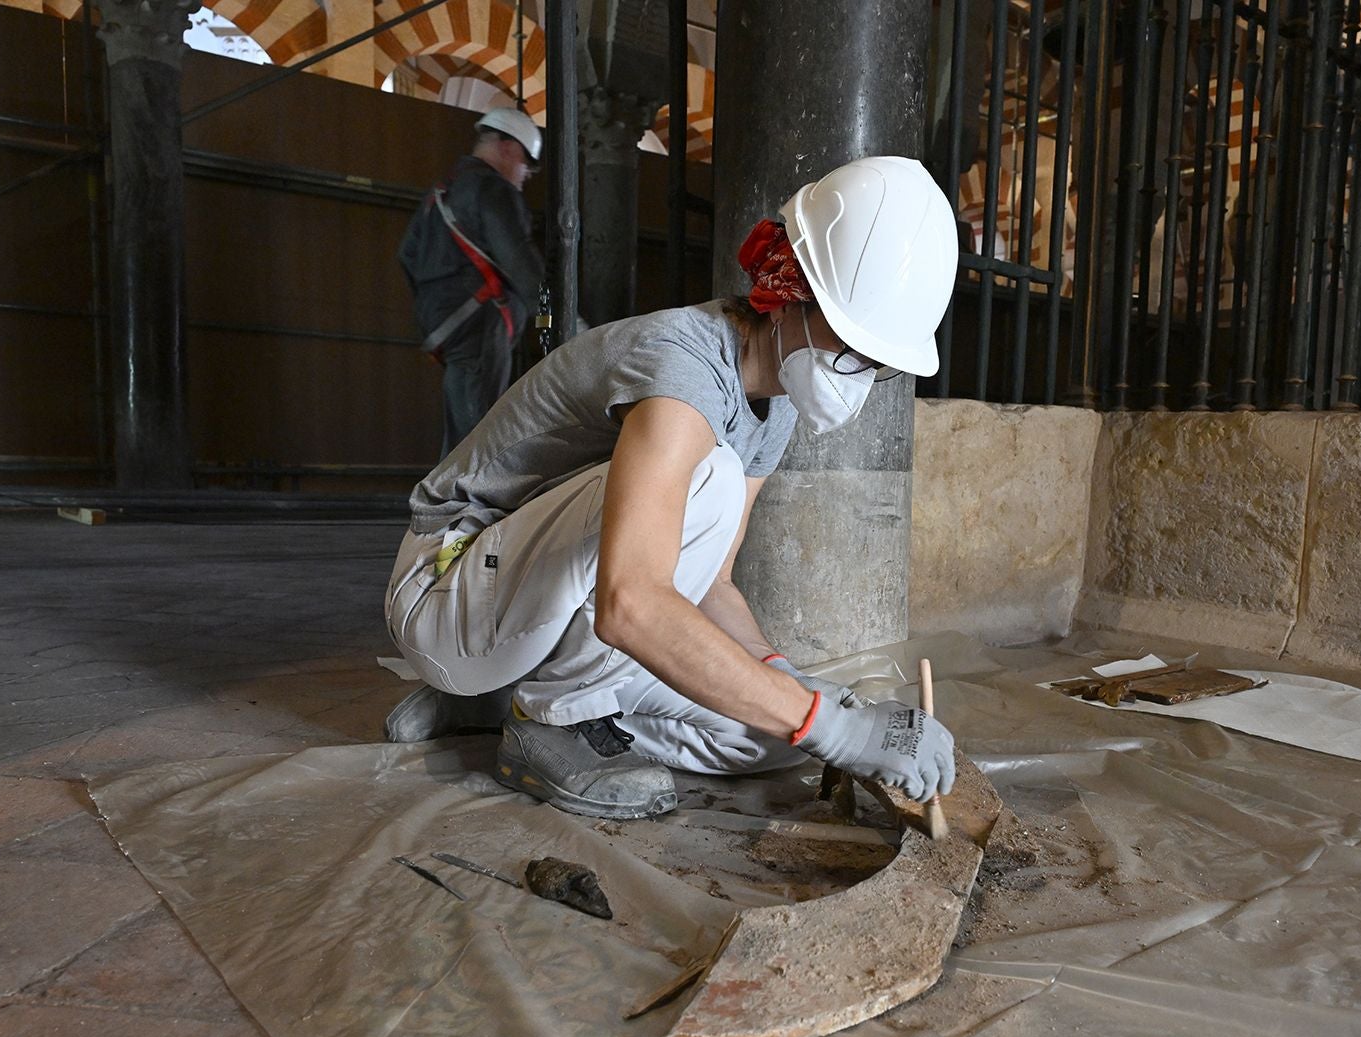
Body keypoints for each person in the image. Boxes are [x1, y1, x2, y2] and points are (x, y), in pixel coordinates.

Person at [383, 156, 960, 821]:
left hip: (522, 610)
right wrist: (825, 720)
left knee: (771, 738)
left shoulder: (775, 406)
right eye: (856, 344)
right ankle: (549, 721)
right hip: (445, 588)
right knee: (705, 483)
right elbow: (630, 602)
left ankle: (499, 697)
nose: (860, 373)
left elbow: (710, 583)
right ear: (791, 295)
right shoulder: (682, 369)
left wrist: (803, 693)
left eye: (879, 363)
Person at [398, 107, 546, 457]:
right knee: (481, 434)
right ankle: (471, 508)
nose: (525, 175)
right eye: (527, 164)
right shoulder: (493, 189)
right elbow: (519, 258)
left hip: (446, 325)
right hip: (480, 321)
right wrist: (554, 316)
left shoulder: (441, 194)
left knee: (463, 428)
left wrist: (436, 304)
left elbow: (406, 255)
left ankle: (451, 505)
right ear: (509, 147)